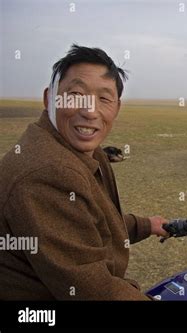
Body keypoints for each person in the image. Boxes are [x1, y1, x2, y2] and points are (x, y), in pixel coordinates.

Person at [0, 45, 169, 300]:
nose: (90, 111)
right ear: (49, 100)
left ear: (117, 107)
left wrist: (148, 225)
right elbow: (94, 290)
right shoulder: (49, 173)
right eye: (76, 94)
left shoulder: (81, 151)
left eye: (104, 99)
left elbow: (94, 221)